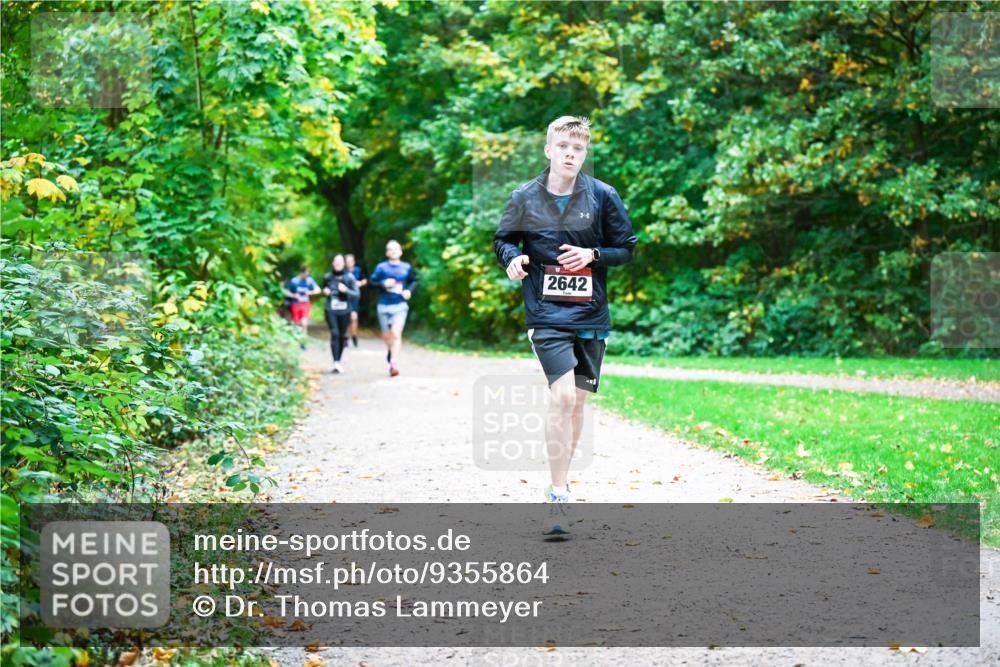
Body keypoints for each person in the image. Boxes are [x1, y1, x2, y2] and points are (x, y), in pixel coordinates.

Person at [493, 116, 637, 536]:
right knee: (561, 398)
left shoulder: (603, 196)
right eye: (563, 147)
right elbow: (503, 240)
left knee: (576, 402)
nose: (570, 154)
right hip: (546, 311)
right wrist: (512, 260)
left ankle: (562, 478)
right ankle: (558, 494)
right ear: (549, 150)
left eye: (578, 149)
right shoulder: (524, 197)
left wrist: (592, 255)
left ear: (584, 154)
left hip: (590, 313)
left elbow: (626, 248)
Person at [369, 240, 415, 377]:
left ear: (401, 251)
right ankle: (391, 353)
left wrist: (409, 291)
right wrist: (383, 283)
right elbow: (372, 282)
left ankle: (394, 363)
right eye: (390, 249)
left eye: (396, 249)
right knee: (387, 336)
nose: (393, 251)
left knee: (396, 332)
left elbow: (413, 281)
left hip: (400, 305)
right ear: (387, 252)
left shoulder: (406, 267)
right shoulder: (381, 267)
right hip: (384, 305)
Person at [322, 254, 360, 373]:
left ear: (344, 263)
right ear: (332, 263)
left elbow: (357, 295)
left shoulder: (349, 277)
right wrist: (325, 291)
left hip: (345, 311)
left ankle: (338, 359)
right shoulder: (327, 277)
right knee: (335, 333)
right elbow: (322, 289)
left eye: (340, 261)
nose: (338, 263)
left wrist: (346, 290)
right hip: (331, 309)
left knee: (342, 335)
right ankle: (335, 362)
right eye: (335, 261)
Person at [285, 265, 321, 347]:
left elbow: (318, 290)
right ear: (301, 273)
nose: (306, 276)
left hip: (305, 304)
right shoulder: (294, 281)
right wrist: (293, 295)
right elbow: (286, 291)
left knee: (304, 323)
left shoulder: (309, 281)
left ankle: (303, 342)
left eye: (307, 274)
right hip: (295, 304)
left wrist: (310, 292)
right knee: (296, 323)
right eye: (305, 274)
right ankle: (296, 340)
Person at [345, 253, 367, 347]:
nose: (349, 263)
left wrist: (360, 283)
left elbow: (365, 280)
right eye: (347, 261)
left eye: (350, 261)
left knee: (354, 317)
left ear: (353, 262)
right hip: (344, 297)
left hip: (354, 297)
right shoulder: (342, 271)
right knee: (345, 318)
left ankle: (354, 335)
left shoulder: (358, 270)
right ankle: (345, 337)